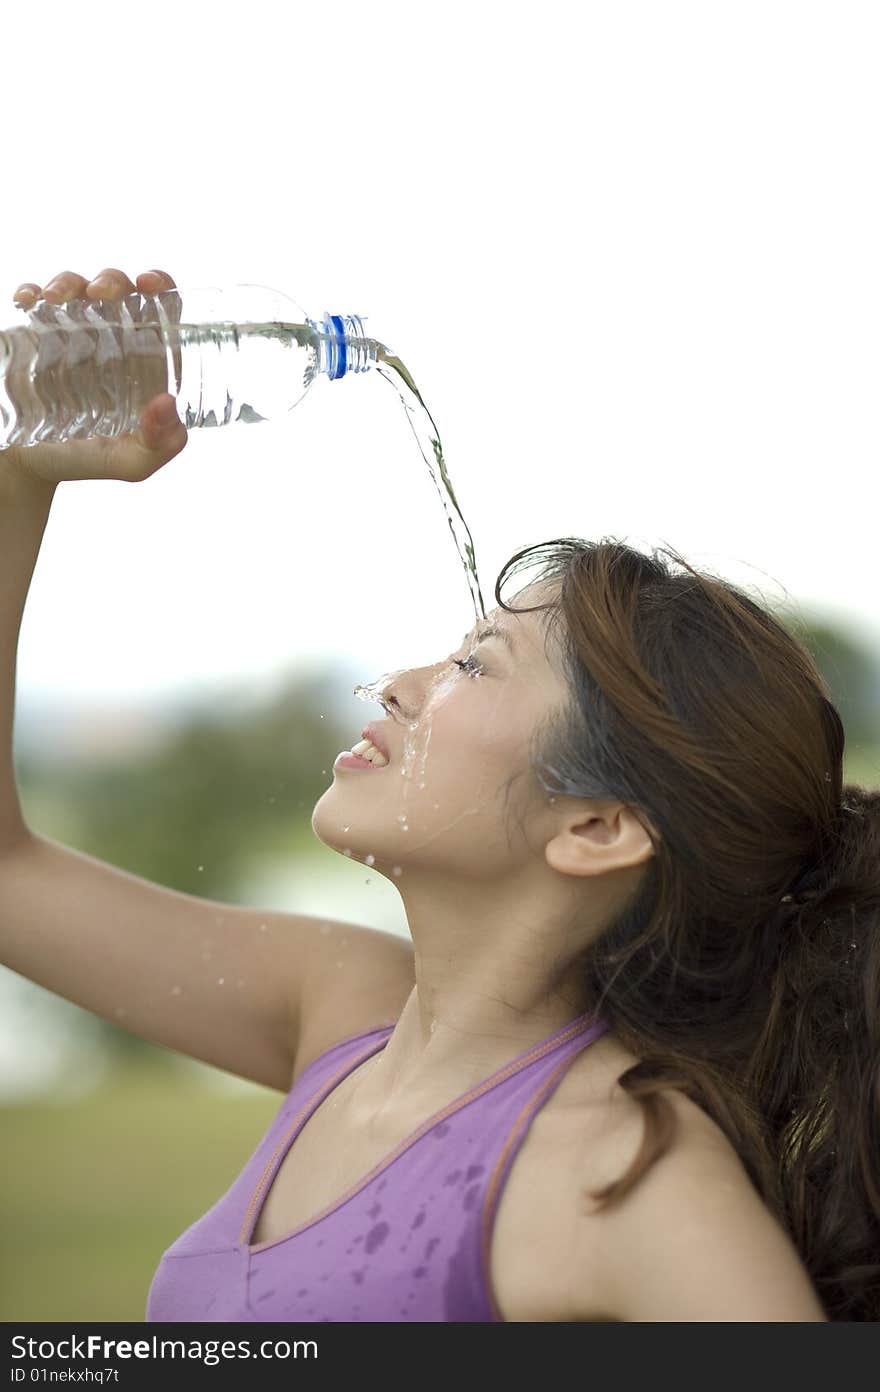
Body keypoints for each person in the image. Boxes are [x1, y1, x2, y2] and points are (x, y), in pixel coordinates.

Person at [1, 267, 876, 1323]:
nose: (402, 683)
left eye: (476, 667)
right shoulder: (341, 1007)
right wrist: (19, 482)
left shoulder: (627, 1172)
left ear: (596, 827)